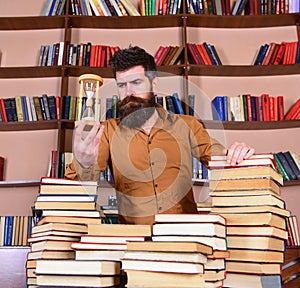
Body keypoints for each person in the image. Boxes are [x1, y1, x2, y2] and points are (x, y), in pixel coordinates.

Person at [65, 46, 255, 225]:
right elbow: (73, 191)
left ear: (154, 83)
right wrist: (83, 163)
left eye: (136, 83)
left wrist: (236, 154)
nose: (128, 92)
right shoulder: (106, 132)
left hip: (185, 240)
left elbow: (219, 158)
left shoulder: (187, 125)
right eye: (122, 85)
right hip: (134, 243)